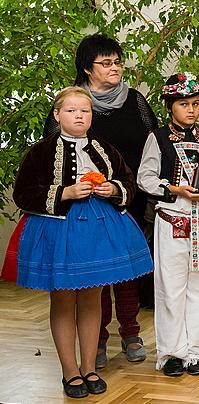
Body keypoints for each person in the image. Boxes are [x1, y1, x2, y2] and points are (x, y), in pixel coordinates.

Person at [11, 87, 153, 397]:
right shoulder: (41, 151)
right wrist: (65, 193)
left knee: (92, 299)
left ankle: (89, 367)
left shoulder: (105, 149)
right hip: (59, 230)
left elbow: (128, 182)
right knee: (63, 299)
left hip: (101, 230)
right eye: (72, 110)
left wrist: (113, 189)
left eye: (85, 111)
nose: (79, 115)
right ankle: (69, 371)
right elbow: (22, 194)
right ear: (57, 115)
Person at [43, 34, 157, 369]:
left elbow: (154, 144)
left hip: (126, 197)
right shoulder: (72, 103)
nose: (114, 68)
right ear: (86, 68)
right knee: (97, 275)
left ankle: (131, 333)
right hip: (83, 205)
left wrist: (135, 188)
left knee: (127, 272)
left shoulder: (134, 100)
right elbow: (54, 154)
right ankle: (99, 340)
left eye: (117, 61)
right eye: (105, 63)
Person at [137, 74, 199, 376]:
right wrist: (175, 190)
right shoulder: (158, 137)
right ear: (169, 107)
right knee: (171, 287)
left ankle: (196, 352)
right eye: (183, 104)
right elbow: (145, 178)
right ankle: (171, 353)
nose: (191, 110)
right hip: (172, 220)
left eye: (195, 104)